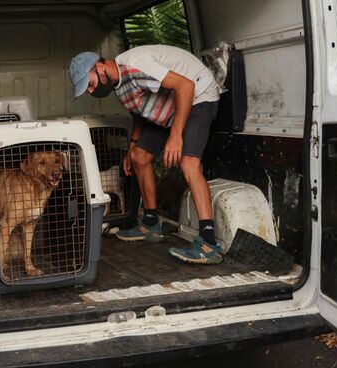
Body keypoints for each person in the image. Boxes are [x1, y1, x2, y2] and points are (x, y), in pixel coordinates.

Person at [69, 45, 222, 265]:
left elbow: (185, 85)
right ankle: (151, 225)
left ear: (100, 66)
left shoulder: (136, 66)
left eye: (90, 84)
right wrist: (132, 146)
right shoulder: (118, 83)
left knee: (188, 163)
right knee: (139, 157)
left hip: (198, 94)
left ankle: (209, 244)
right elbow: (139, 111)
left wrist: (176, 135)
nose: (91, 91)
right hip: (171, 106)